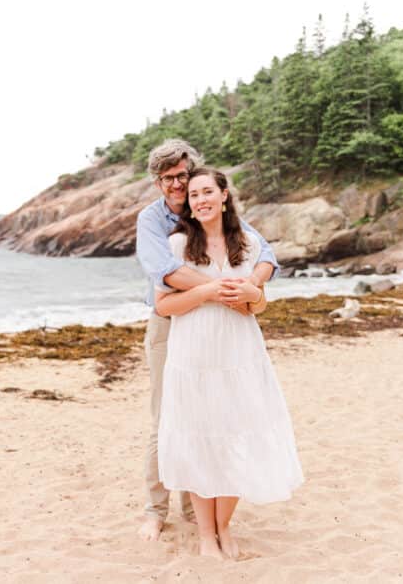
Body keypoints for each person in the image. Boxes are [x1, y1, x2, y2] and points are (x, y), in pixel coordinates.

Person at [154, 167, 303, 559]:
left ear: (224, 196)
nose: (200, 200)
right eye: (194, 195)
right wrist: (206, 292)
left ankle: (224, 528)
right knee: (200, 442)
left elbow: (257, 307)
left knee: (239, 438)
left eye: (207, 192)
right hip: (193, 358)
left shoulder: (249, 245)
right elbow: (163, 305)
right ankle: (206, 536)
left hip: (240, 355)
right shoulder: (177, 246)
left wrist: (254, 292)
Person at [135, 140, 280, 543]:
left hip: (226, 326)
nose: (178, 185)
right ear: (158, 182)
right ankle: (155, 510)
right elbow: (165, 273)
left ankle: (195, 508)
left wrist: (251, 288)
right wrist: (220, 287)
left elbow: (265, 253)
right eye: (168, 179)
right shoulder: (153, 220)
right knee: (168, 417)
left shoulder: (211, 205)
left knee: (215, 418)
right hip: (173, 323)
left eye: (183, 175)